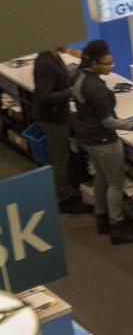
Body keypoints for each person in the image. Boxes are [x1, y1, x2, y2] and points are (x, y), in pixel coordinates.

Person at [72, 39, 133, 245]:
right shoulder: (97, 88)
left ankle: (101, 216)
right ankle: (116, 224)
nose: (111, 67)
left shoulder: (79, 78)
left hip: (88, 138)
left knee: (101, 177)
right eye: (107, 63)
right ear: (94, 64)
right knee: (116, 184)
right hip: (104, 141)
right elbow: (108, 121)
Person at [33, 47, 86, 213]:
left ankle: (63, 190)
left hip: (59, 114)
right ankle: (61, 198)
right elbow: (45, 96)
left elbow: (61, 79)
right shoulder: (45, 62)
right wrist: (70, 92)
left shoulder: (54, 56)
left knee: (62, 156)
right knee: (59, 159)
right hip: (52, 118)